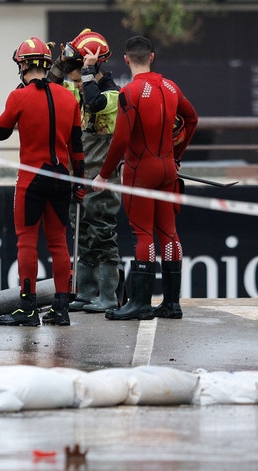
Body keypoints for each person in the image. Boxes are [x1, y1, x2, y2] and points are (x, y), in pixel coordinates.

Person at [92, 36, 197, 321]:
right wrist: (176, 154)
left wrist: (104, 174)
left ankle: (140, 303)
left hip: (140, 170)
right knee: (169, 233)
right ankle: (171, 304)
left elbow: (121, 138)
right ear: (152, 57)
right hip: (167, 168)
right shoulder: (171, 87)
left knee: (142, 233)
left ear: (126, 59)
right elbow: (192, 119)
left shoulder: (130, 92)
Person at [0, 37, 86, 327]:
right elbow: (77, 147)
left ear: (22, 66)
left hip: (32, 177)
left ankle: (28, 308)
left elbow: (0, 131)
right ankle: (61, 308)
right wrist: (80, 182)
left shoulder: (18, 96)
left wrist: (18, 98)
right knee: (59, 243)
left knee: (27, 242)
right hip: (62, 178)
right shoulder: (68, 97)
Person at [48, 29, 123, 314]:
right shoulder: (76, 88)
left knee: (102, 235)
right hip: (77, 177)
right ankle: (86, 293)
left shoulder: (113, 95)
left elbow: (95, 103)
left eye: (78, 77)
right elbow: (48, 88)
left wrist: (89, 71)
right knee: (82, 235)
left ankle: (108, 296)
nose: (75, 82)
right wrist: (61, 63)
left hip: (102, 179)